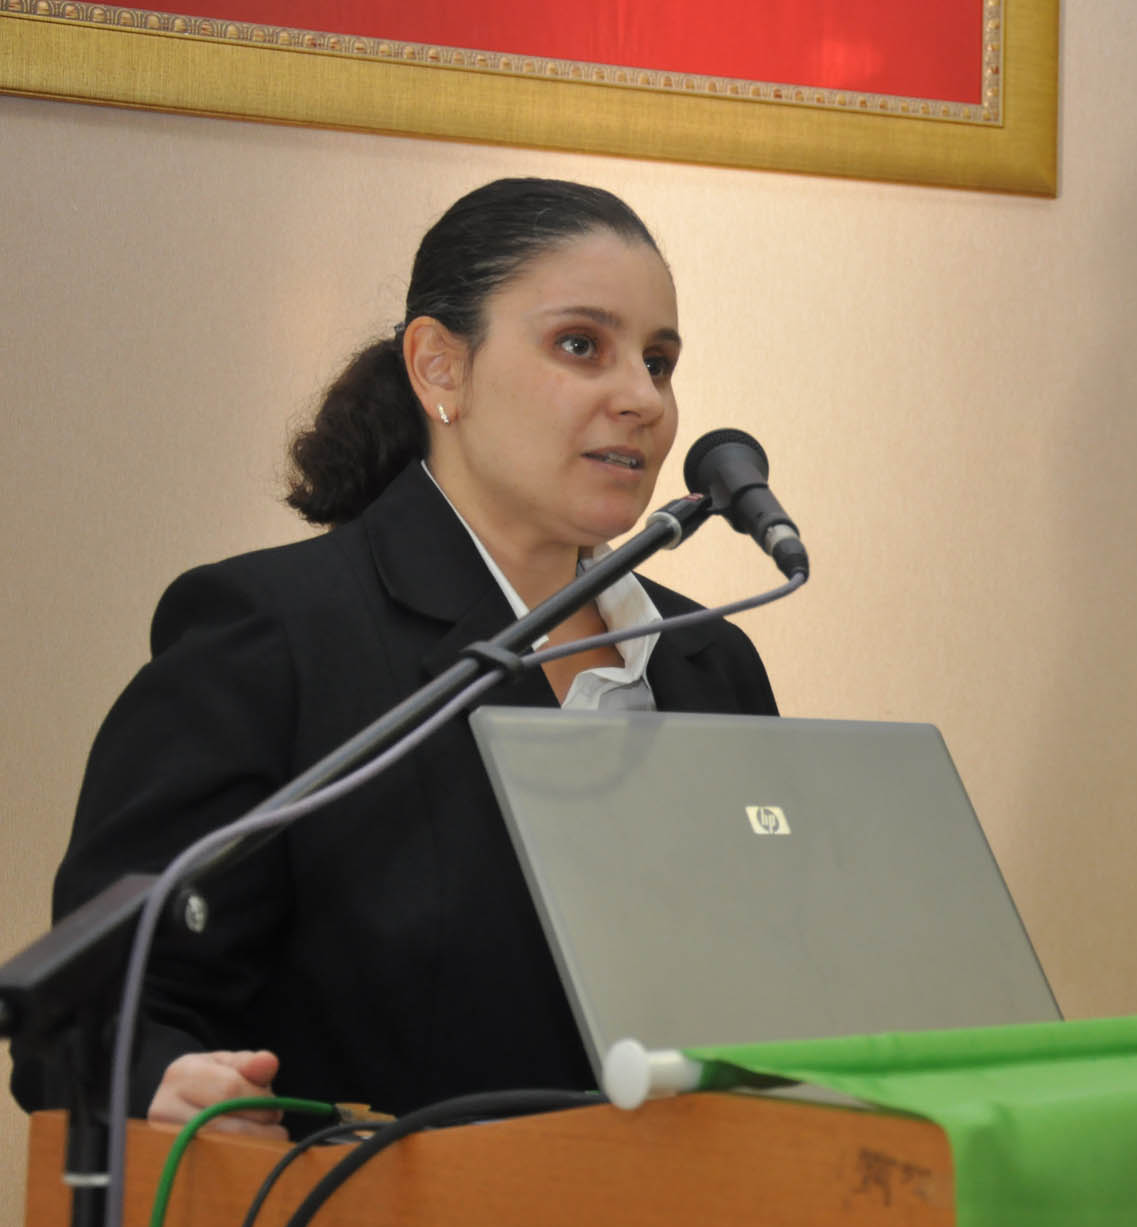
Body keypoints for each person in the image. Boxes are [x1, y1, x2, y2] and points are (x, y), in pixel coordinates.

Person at [9, 179, 777, 1138]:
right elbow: (96, 1015)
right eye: (582, 345)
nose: (641, 399)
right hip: (377, 1221)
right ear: (439, 367)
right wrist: (156, 1075)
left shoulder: (710, 661)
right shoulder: (273, 638)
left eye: (659, 362)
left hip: (699, 1216)